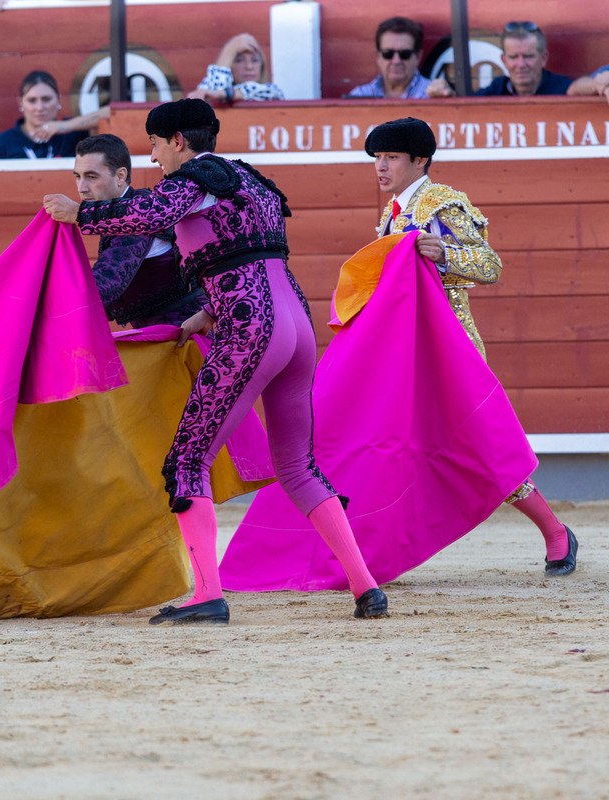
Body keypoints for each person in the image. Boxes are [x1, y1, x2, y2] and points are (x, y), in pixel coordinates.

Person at [42, 99, 387, 624]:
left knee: (185, 462)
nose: (154, 159)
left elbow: (149, 213)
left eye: (156, 146)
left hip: (251, 328)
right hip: (294, 324)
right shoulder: (253, 180)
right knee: (298, 465)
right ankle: (366, 587)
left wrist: (81, 212)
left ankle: (207, 595)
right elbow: (247, 252)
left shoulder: (197, 176)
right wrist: (206, 312)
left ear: (178, 140)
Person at [366, 116, 578, 576]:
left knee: (483, 448)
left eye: (390, 158)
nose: (380, 168)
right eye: (376, 159)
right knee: (397, 447)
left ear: (419, 160)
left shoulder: (441, 205)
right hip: (407, 349)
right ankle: (380, 554)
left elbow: (489, 264)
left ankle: (556, 532)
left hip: (452, 349)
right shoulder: (391, 214)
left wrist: (445, 253)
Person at [74, 133, 205, 327]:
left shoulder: (138, 217)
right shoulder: (129, 211)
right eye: (78, 177)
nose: (82, 188)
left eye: (91, 177)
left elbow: (105, 286)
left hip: (177, 340)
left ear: (120, 176)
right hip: (161, 336)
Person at [428, 21, 573, 97]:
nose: (520, 64)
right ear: (503, 60)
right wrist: (446, 94)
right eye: (513, 57)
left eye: (528, 56)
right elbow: (466, 109)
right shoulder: (496, 88)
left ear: (543, 58)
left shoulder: (563, 88)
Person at [0, 70, 90, 159]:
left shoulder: (73, 135)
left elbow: (106, 113)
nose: (39, 108)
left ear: (59, 100)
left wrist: (65, 126)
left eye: (46, 99)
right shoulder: (2, 143)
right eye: (32, 100)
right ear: (21, 103)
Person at [345, 17, 431, 99]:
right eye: (388, 53)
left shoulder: (432, 96)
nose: (396, 61)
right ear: (378, 57)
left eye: (405, 54)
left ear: (418, 57)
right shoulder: (360, 96)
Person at [187, 33, 284, 103]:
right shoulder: (210, 86)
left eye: (254, 60)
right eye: (239, 60)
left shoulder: (272, 92)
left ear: (261, 66)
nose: (249, 66)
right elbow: (207, 98)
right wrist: (230, 50)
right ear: (229, 67)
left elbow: (254, 90)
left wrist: (223, 94)